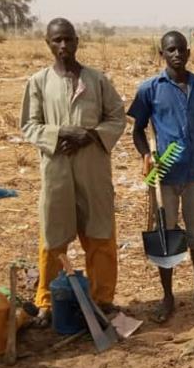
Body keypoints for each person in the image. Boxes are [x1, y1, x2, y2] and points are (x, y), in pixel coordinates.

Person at [21, 18, 126, 323]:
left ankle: (102, 299)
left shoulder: (97, 80)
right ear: (48, 43)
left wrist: (89, 135)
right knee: (53, 237)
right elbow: (30, 125)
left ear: (77, 42)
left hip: (93, 171)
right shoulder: (39, 82)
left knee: (100, 234)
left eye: (68, 39)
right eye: (57, 40)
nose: (63, 45)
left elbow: (117, 117)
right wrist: (61, 133)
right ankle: (47, 301)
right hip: (57, 173)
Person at [128, 30, 194, 323]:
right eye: (170, 50)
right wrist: (146, 156)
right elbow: (137, 130)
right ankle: (168, 297)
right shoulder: (150, 89)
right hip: (165, 177)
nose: (177, 54)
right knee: (166, 236)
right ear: (162, 54)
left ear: (188, 52)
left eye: (181, 49)